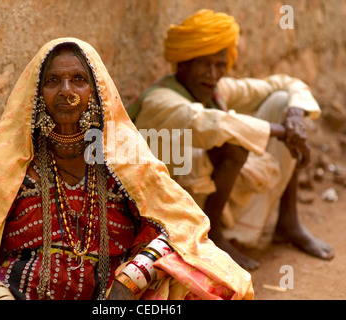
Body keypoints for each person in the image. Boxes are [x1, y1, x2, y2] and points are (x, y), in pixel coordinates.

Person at [0, 37, 253, 300]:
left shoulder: (124, 161)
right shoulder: (13, 162)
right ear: (37, 95)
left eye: (79, 80)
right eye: (53, 81)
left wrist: (129, 280)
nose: (67, 90)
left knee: (207, 282)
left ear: (98, 92)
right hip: (18, 293)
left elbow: (181, 227)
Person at [128, 9, 334, 270]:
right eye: (205, 64)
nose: (213, 75)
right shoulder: (160, 99)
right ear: (184, 63)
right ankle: (212, 237)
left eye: (219, 65)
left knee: (283, 101)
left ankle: (288, 222)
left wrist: (294, 116)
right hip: (169, 209)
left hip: (211, 192)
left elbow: (286, 83)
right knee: (233, 141)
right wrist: (284, 131)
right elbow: (214, 123)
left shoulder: (217, 91)